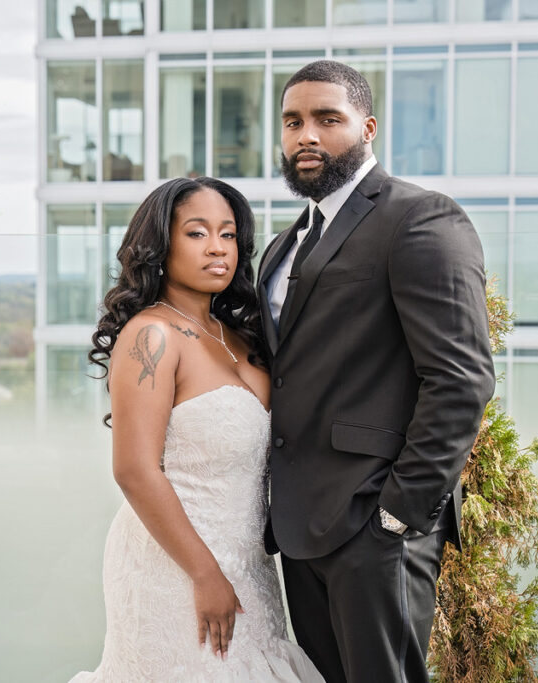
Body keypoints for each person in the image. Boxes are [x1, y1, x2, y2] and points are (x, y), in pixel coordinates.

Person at [257, 60, 495, 683]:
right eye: (293, 121)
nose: (306, 135)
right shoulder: (282, 248)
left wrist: (399, 514)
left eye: (326, 119)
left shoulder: (419, 218)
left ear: (367, 128)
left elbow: (461, 379)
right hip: (299, 528)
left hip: (375, 527)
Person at [71, 177, 321, 682]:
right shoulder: (152, 335)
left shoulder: (240, 333)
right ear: (161, 246)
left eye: (228, 235)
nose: (217, 249)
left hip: (249, 562)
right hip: (177, 567)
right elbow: (135, 470)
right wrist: (205, 574)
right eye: (197, 233)